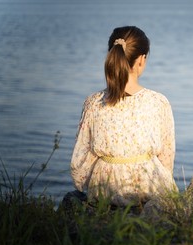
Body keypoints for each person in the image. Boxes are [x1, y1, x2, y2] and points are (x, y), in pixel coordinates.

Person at [70, 26, 177, 207]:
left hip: (104, 188)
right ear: (142, 60)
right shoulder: (158, 102)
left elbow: (80, 159)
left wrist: (85, 184)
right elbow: (166, 157)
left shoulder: (93, 102)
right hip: (148, 185)